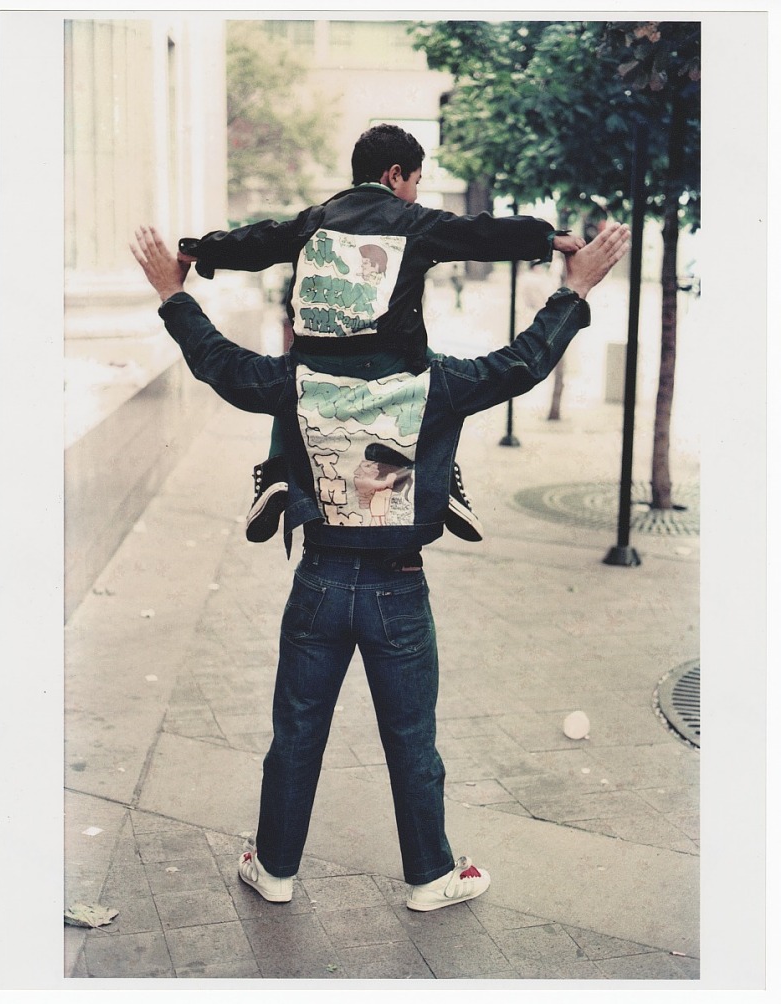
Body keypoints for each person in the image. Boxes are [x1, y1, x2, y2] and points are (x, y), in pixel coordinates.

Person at [130, 219, 630, 911]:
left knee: (297, 732)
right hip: (398, 584)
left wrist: (172, 294)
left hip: (319, 580)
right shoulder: (439, 383)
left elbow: (220, 363)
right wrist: (573, 292)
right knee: (411, 740)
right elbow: (524, 362)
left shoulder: (297, 382)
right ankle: (430, 877)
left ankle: (274, 868)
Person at [177, 124, 585, 547]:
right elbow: (479, 234)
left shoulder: (312, 222)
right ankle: (444, 480)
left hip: (317, 360)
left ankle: (277, 470)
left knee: (291, 380)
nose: (416, 193)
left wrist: (203, 250)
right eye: (416, 182)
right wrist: (545, 237)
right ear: (394, 175)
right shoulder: (414, 222)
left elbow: (258, 240)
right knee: (437, 384)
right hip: (390, 359)